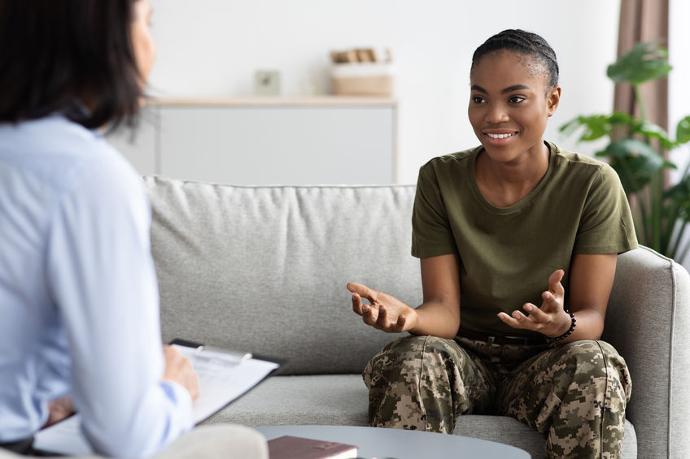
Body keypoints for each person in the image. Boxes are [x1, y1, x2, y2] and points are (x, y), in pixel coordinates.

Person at [347, 29, 636, 459]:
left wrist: (562, 325)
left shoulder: (592, 184)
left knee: (597, 361)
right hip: (464, 357)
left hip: (547, 359)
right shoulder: (440, 179)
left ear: (552, 100)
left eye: (515, 99)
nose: (493, 115)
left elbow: (592, 317)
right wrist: (409, 317)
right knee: (414, 356)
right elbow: (444, 314)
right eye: (479, 98)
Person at [0, 1, 266, 457]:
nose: (150, 45)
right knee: (239, 446)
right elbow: (126, 435)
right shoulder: (84, 173)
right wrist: (174, 389)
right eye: (146, 21)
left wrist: (39, 401)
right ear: (98, 37)